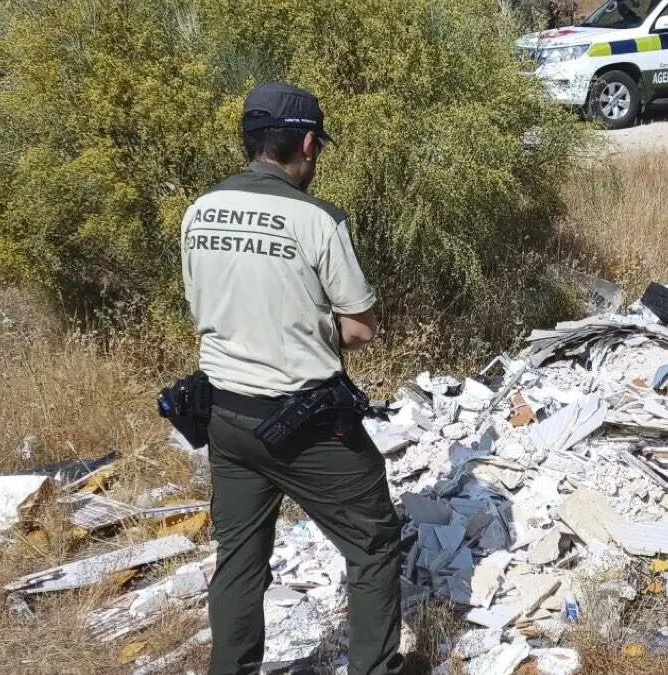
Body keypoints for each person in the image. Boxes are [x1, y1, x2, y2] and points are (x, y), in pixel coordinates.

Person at [179, 82, 402, 675]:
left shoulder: (199, 210)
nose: (316, 159)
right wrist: (304, 331)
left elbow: (205, 307)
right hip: (304, 425)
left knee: (240, 561)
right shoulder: (317, 219)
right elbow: (360, 330)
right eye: (316, 148)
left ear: (252, 142)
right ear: (306, 142)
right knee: (375, 543)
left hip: (224, 418)